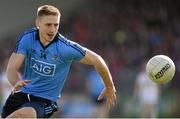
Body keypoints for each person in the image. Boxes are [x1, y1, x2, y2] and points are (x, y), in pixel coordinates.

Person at [1, 5, 116, 118]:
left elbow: (97, 60)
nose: (52, 29)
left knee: (21, 115)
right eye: (48, 25)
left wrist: (109, 86)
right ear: (38, 23)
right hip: (21, 94)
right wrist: (17, 82)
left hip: (45, 100)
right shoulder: (27, 38)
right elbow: (11, 69)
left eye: (56, 25)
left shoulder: (65, 48)